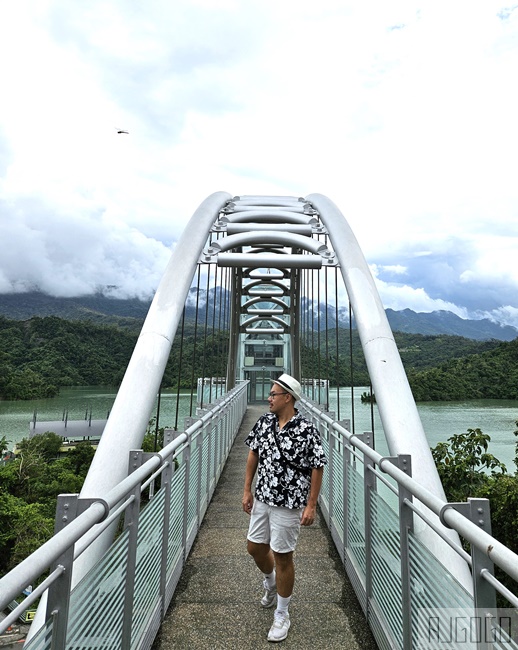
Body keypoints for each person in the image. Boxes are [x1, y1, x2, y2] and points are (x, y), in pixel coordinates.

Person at [242, 373, 327, 643]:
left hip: (289, 504)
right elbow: (253, 453)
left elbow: (317, 466)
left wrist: (311, 505)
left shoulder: (306, 429)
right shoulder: (264, 422)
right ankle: (269, 582)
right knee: (254, 547)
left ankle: (282, 613)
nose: (268, 398)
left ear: (287, 397)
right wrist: (247, 489)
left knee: (282, 556)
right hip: (263, 497)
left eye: (273, 394)